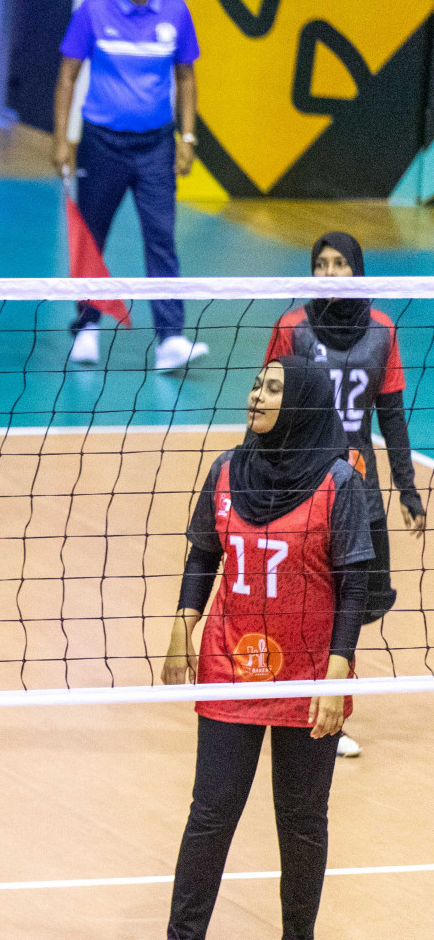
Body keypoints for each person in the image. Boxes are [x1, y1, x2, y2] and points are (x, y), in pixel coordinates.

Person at [161, 356, 372, 940]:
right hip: (231, 666)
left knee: (302, 822)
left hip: (308, 676)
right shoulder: (227, 470)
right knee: (210, 816)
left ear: (299, 402)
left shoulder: (338, 482)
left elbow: (356, 582)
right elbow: (204, 553)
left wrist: (336, 675)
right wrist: (184, 625)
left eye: (272, 388)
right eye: (256, 384)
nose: (256, 395)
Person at [264, 231, 426, 757]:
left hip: (357, 488)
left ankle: (324, 701)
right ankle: (309, 707)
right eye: (321, 264)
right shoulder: (291, 327)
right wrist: (256, 475)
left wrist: (408, 490)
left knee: (358, 603)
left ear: (358, 270)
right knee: (308, 599)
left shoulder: (382, 330)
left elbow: (393, 415)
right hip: (299, 486)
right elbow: (265, 406)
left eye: (340, 264)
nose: (330, 272)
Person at [53, 0, 206, 372]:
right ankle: (86, 327)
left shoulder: (176, 14)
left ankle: (170, 340)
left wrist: (187, 137)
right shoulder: (92, 13)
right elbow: (67, 76)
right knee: (92, 237)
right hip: (101, 144)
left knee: (161, 239)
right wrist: (62, 139)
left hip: (156, 146)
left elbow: (187, 79)